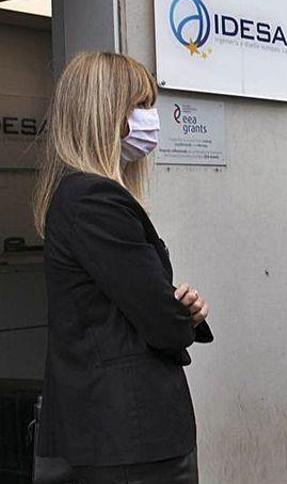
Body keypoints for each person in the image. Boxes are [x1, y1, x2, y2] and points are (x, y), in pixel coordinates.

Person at [31, 51, 213, 483]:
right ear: (106, 113)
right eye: (142, 105)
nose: (153, 117)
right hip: (128, 438)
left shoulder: (81, 197)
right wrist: (181, 316)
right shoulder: (94, 200)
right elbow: (160, 321)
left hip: (111, 435)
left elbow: (130, 302)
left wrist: (181, 311)